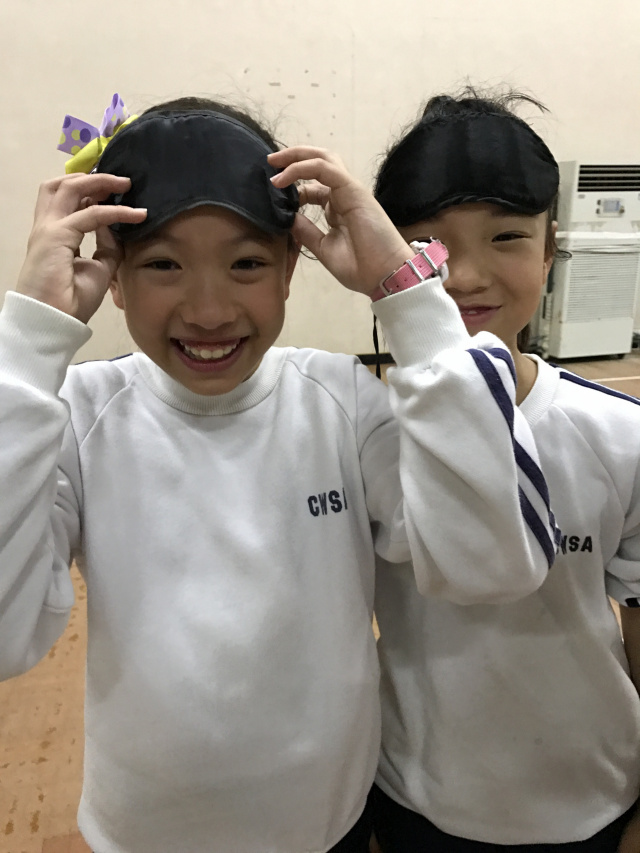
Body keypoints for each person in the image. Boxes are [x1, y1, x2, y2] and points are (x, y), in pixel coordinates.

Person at [0, 95, 554, 853]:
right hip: (144, 833)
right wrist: (27, 343)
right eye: (162, 264)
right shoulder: (78, 414)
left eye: (247, 263)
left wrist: (410, 299)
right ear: (113, 275)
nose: (208, 308)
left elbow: (491, 563)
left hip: (328, 826)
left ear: (292, 267)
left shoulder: (343, 403)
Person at [371, 87, 640, 853]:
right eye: (427, 245)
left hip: (592, 798)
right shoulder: (360, 433)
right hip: (414, 796)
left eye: (507, 237)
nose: (463, 276)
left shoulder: (619, 434)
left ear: (550, 249)